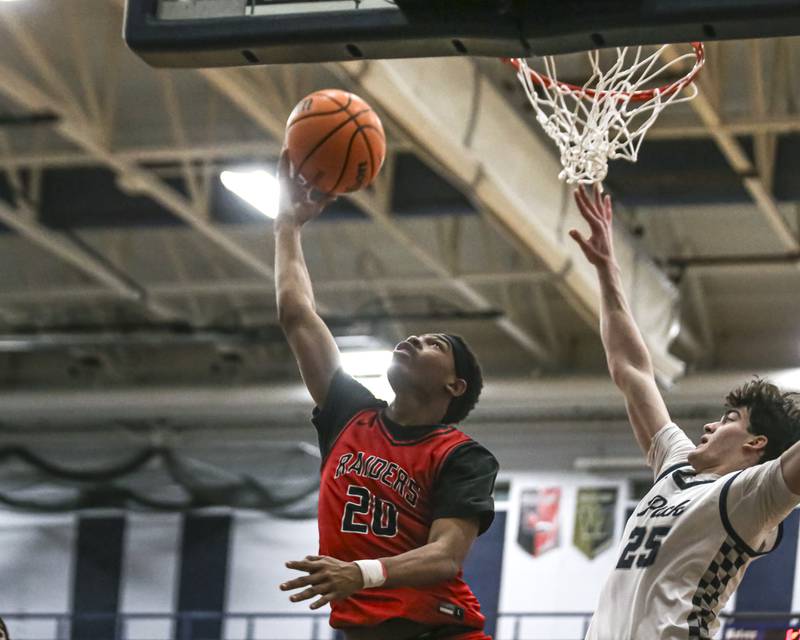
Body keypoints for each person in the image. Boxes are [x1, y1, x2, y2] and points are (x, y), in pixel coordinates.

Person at [274, 150, 499, 640]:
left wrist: (361, 574)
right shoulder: (349, 413)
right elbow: (297, 316)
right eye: (415, 335)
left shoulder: (462, 456)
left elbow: (445, 556)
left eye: (434, 344)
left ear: (453, 386)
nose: (415, 338)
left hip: (440, 631)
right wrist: (287, 225)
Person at [571, 184, 800, 639]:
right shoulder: (675, 465)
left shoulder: (751, 495)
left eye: (731, 419)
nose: (711, 424)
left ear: (757, 444)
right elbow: (633, 370)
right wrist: (608, 270)